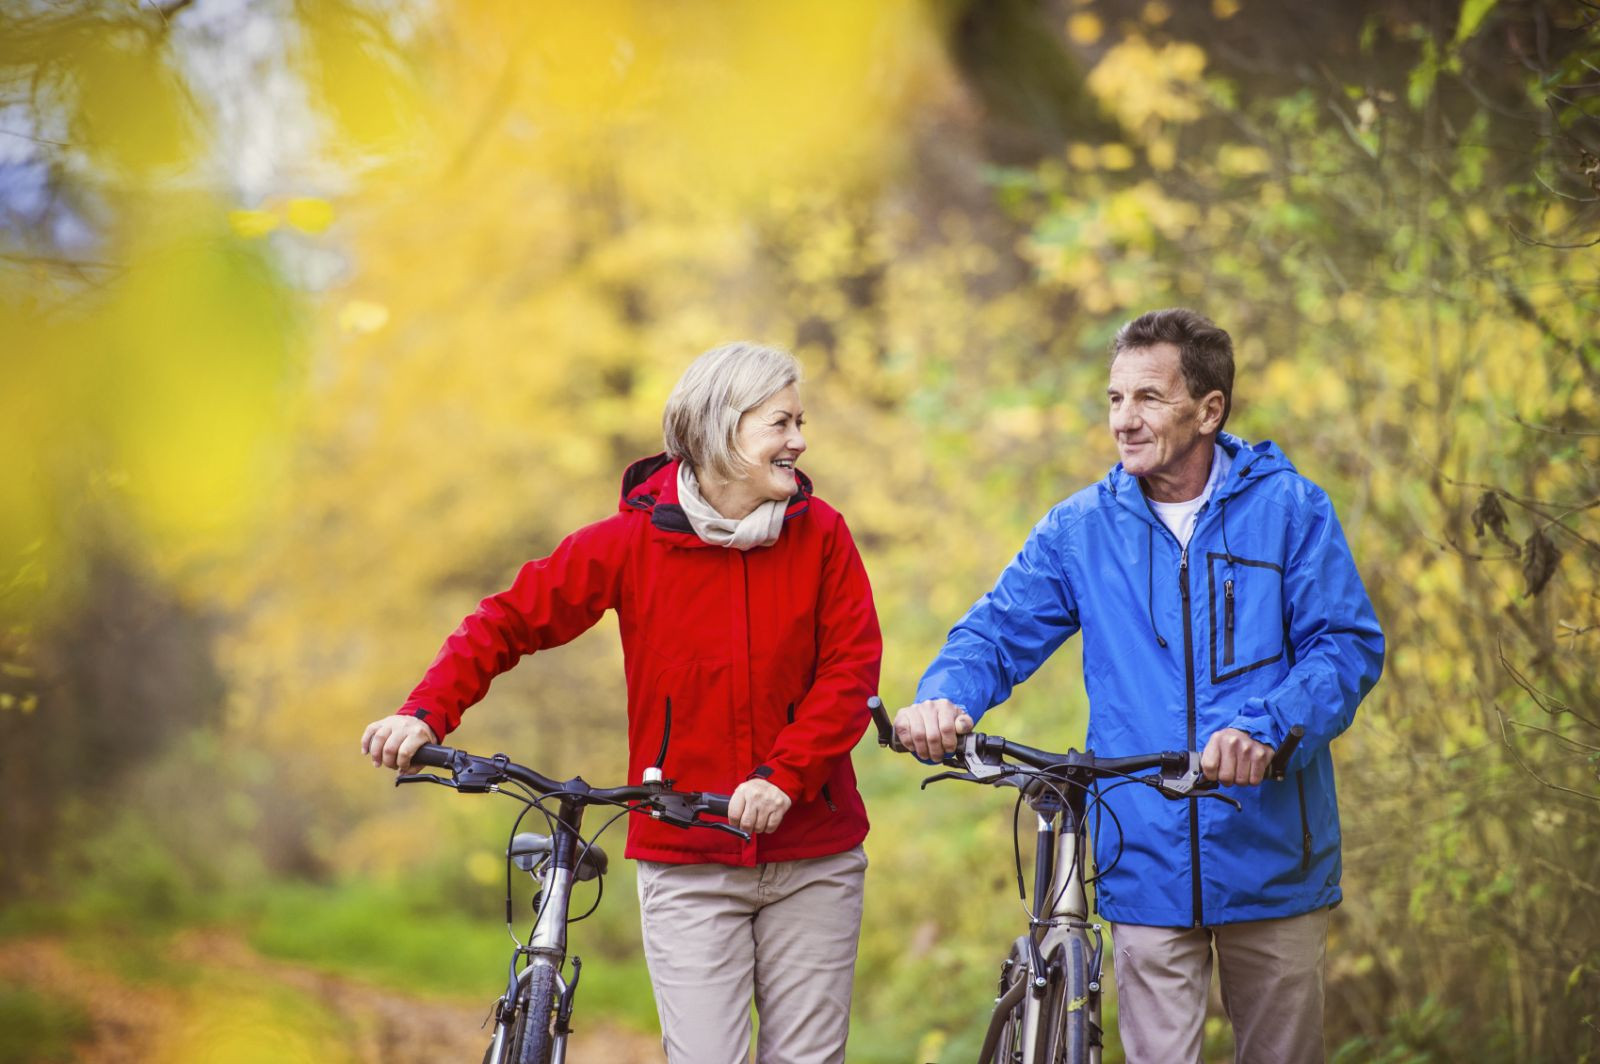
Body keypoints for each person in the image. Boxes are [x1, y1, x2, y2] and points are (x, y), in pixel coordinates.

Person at [361, 342, 881, 1064]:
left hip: (813, 856)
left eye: (800, 422)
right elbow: (509, 620)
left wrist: (783, 775)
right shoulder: (631, 543)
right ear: (721, 429)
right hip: (687, 857)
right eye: (780, 423)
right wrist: (423, 713)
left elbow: (850, 673)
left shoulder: (821, 535)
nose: (799, 441)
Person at [894, 308, 1383, 1064]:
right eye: (1115, 398)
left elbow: (1344, 647)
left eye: (1148, 398)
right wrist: (945, 696)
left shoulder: (1290, 510)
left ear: (1208, 410)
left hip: (1275, 852)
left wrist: (1269, 725)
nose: (1124, 419)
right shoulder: (1080, 528)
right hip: (1143, 855)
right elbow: (994, 633)